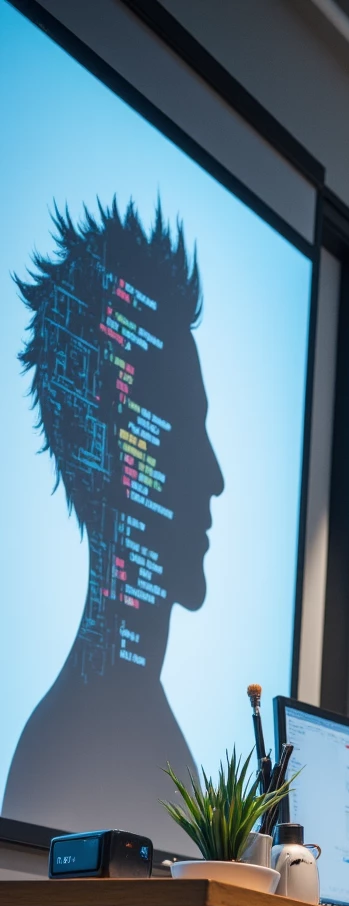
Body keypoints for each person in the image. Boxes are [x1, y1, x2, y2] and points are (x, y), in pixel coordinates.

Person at [3, 199, 223, 835]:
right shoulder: (66, 746)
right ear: (108, 457)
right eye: (184, 431)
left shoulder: (142, 721)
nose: (214, 476)